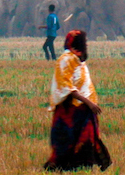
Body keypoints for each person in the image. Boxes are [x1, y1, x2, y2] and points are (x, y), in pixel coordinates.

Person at [44, 30, 111, 172]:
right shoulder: (66, 59)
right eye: (83, 42)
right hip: (70, 110)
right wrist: (89, 103)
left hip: (84, 109)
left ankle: (83, 167)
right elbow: (66, 86)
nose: (86, 44)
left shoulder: (78, 60)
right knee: (67, 141)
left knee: (87, 138)